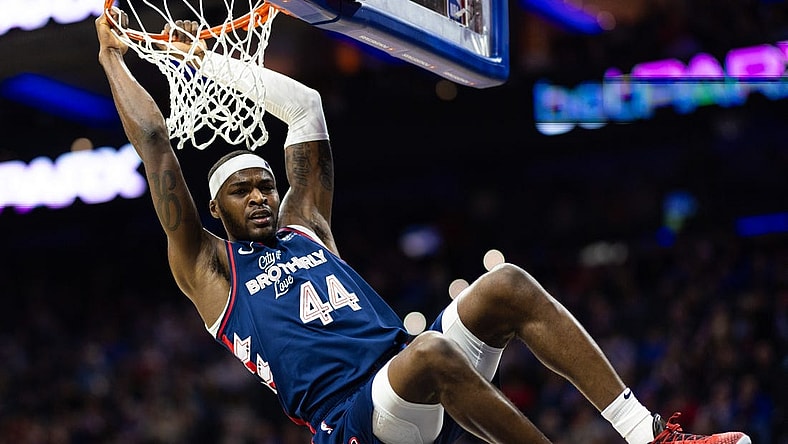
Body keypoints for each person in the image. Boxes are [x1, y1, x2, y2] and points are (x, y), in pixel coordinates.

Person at [95, 9, 752, 444]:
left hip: (406, 378)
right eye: (242, 191)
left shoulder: (306, 225)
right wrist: (114, 61)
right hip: (352, 420)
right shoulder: (209, 269)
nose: (261, 195)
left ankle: (649, 435)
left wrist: (206, 59)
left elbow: (304, 106)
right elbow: (156, 141)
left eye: (266, 183)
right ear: (217, 210)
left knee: (507, 287)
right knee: (431, 355)